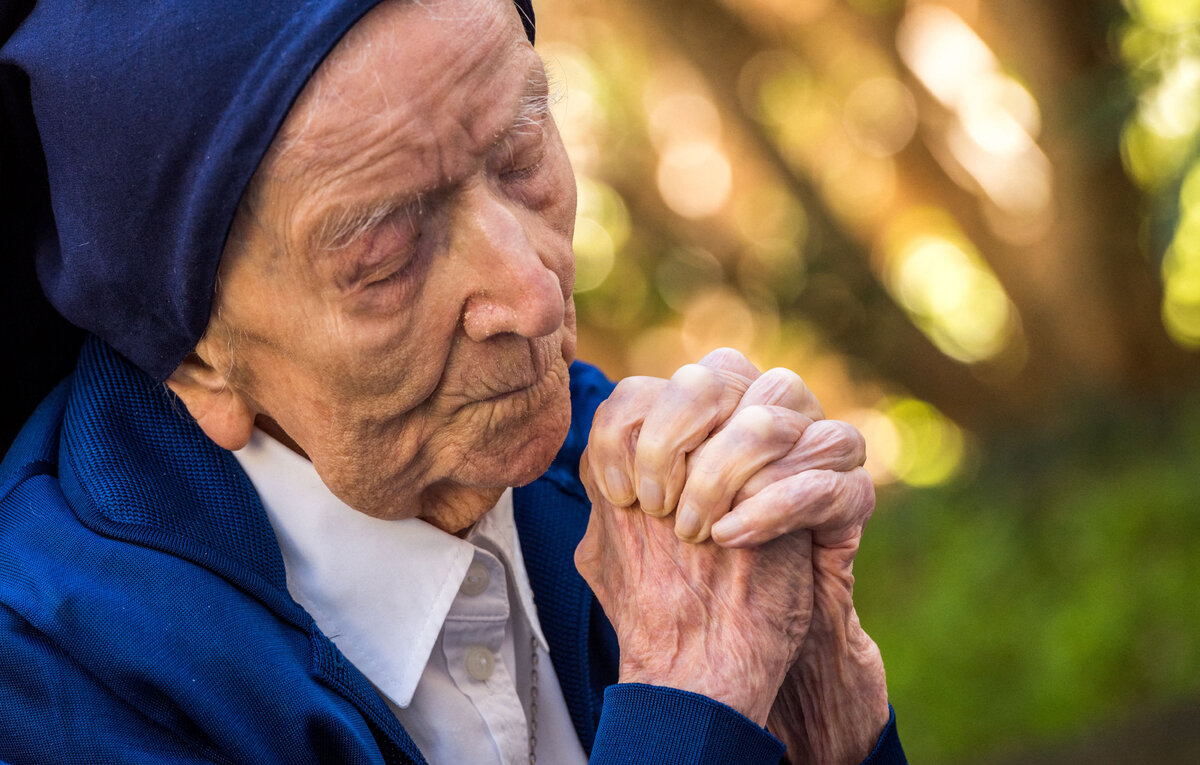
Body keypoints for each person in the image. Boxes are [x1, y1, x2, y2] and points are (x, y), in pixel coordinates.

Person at [0, 0, 905, 762]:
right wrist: (691, 704)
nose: (535, 293)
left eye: (521, 159)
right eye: (387, 254)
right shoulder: (53, 687)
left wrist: (828, 721)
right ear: (199, 357)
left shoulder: (617, 487)